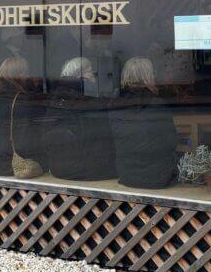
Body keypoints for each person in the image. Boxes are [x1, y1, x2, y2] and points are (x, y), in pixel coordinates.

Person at [108, 57, 178, 189]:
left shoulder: (114, 104)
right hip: (158, 177)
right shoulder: (157, 104)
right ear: (148, 76)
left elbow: (111, 141)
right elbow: (171, 141)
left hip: (126, 175)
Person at [42, 57, 116, 181]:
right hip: (86, 170)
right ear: (80, 75)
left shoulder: (56, 98)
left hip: (58, 168)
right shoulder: (87, 100)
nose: (93, 75)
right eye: (90, 71)